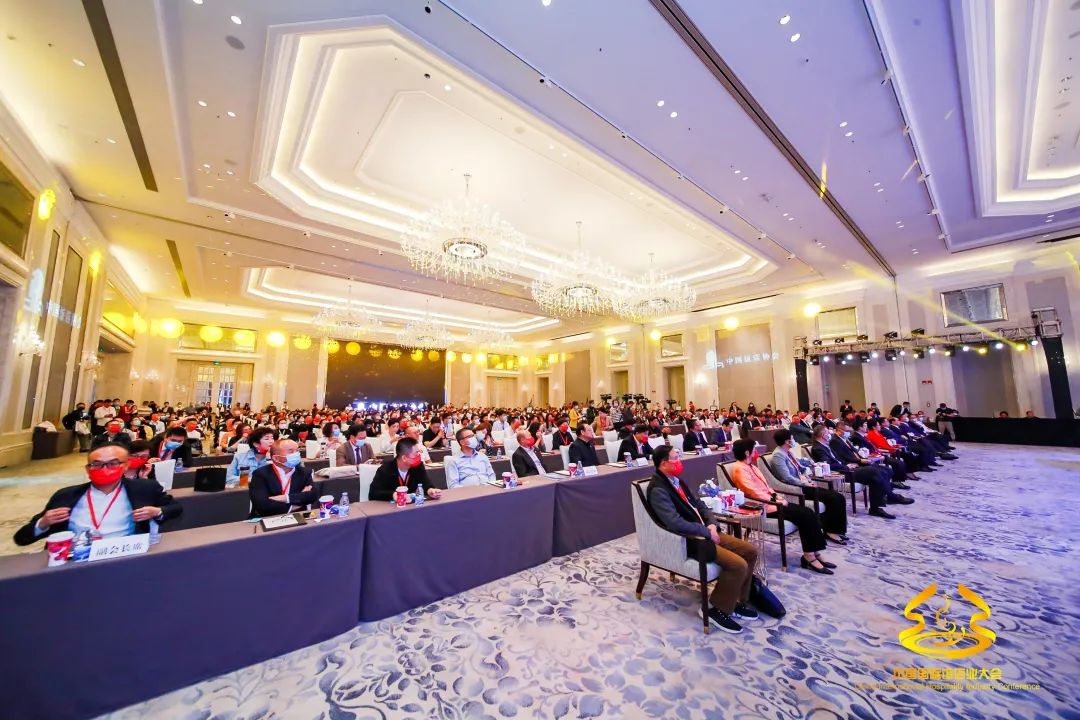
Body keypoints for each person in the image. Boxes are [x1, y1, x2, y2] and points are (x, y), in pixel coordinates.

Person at [646, 444, 760, 634]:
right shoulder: (658, 489)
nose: (679, 461)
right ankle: (716, 609)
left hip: (706, 531)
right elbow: (675, 523)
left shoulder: (677, 481)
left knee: (750, 551)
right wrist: (706, 532)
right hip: (692, 539)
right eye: (675, 458)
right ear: (664, 463)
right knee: (738, 564)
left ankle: (735, 600)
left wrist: (712, 524)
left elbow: (700, 505)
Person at [14, 443, 181, 545]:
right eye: (97, 464)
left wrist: (157, 512)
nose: (105, 469)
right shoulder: (65, 496)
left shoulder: (144, 489)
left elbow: (175, 508)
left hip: (124, 555)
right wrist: (43, 523)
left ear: (125, 466)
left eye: (113, 463)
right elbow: (21, 538)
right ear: (88, 469)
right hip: (76, 559)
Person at [727, 438, 835, 574]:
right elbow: (752, 492)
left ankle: (815, 552)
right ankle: (809, 557)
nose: (756, 452)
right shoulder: (739, 469)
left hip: (773, 502)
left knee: (808, 512)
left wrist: (776, 496)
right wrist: (774, 500)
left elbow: (766, 487)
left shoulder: (751, 466)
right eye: (754, 450)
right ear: (747, 452)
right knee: (806, 515)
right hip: (763, 507)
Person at [811, 424, 911, 519]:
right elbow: (828, 464)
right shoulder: (817, 448)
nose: (830, 434)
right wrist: (846, 466)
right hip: (843, 473)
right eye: (827, 433)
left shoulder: (825, 445)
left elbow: (838, 459)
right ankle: (889, 497)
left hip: (847, 468)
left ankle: (876, 508)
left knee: (877, 476)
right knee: (875, 472)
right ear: (823, 435)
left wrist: (849, 463)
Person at [768, 429, 848, 543]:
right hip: (797, 488)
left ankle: (836, 530)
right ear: (787, 441)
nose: (794, 440)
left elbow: (799, 467)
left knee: (838, 496)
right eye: (792, 438)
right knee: (833, 498)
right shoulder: (778, 455)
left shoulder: (788, 452)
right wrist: (804, 483)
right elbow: (786, 477)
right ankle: (831, 532)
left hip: (804, 483)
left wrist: (808, 476)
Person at [248, 439, 318, 517]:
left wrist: (285, 498)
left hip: (297, 517)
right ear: (276, 458)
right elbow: (263, 505)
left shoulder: (304, 472)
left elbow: (312, 496)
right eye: (291, 451)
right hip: (267, 518)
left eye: (297, 450)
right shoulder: (261, 474)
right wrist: (297, 503)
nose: (297, 454)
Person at [369, 437, 441, 502]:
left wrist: (430, 490)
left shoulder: (418, 466)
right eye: (416, 453)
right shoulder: (386, 469)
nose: (419, 455)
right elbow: (373, 493)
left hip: (412, 506)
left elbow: (426, 484)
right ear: (404, 458)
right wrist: (393, 495)